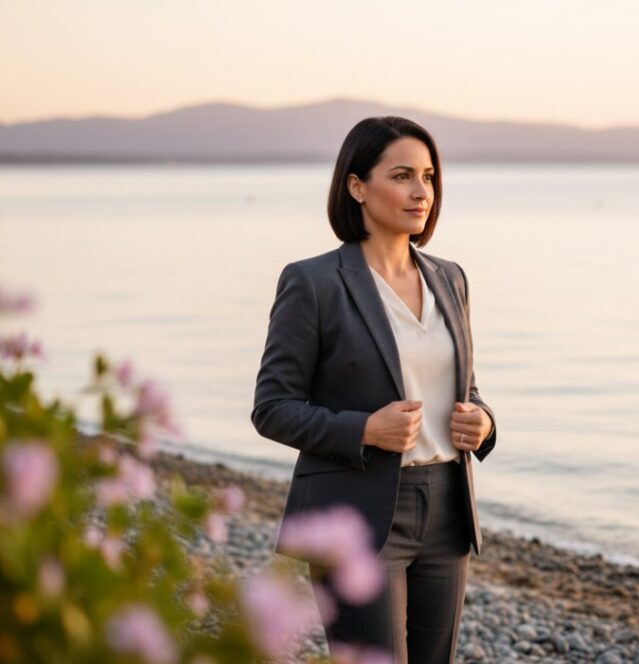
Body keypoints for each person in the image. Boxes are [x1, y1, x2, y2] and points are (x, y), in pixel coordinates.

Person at [251, 116, 497, 663]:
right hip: (354, 514)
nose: (420, 192)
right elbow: (271, 408)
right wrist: (363, 429)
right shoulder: (312, 282)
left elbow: (466, 387)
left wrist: (483, 422)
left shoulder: (450, 278)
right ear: (357, 186)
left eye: (429, 177)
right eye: (403, 175)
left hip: (447, 511)